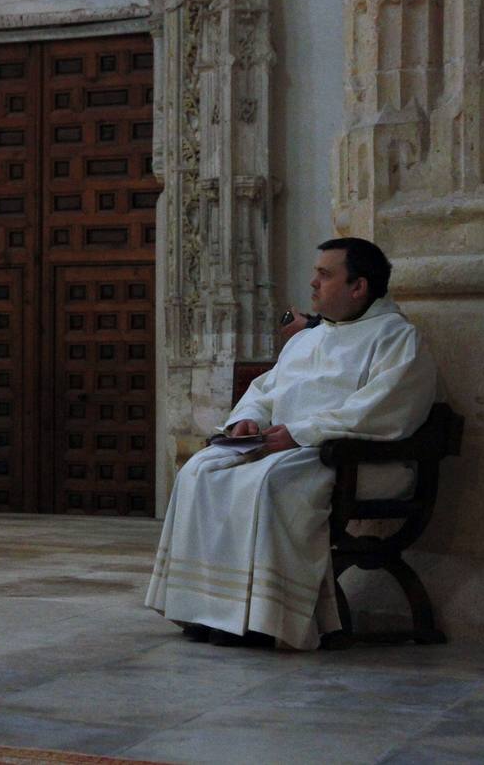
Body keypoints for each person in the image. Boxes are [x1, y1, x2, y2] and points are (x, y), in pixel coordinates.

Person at [145, 237, 438, 649]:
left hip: (357, 460)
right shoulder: (307, 338)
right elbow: (266, 389)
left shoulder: (396, 338)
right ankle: (206, 610)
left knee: (269, 482)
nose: (313, 283)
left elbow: (382, 407)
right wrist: (248, 419)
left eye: (325, 274)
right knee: (200, 469)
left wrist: (301, 433)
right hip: (292, 449)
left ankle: (263, 620)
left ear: (359, 287)